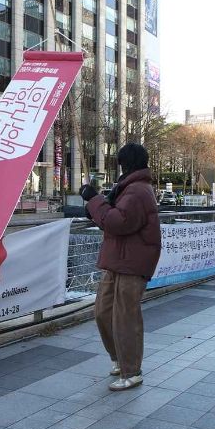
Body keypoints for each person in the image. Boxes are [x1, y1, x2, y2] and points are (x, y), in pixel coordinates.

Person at [80, 143, 161, 391]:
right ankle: (120, 359)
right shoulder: (129, 188)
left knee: (125, 316)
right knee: (103, 311)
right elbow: (114, 218)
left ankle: (132, 371)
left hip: (132, 262)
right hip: (119, 259)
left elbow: (118, 221)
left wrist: (94, 200)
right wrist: (98, 207)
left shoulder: (137, 191)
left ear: (126, 164)